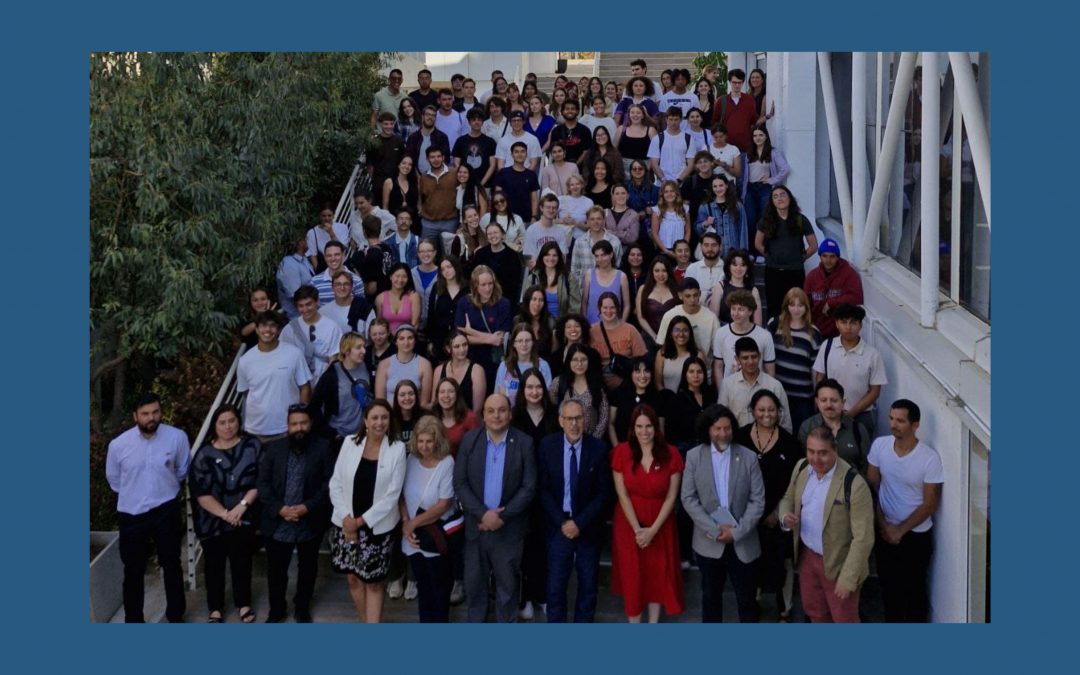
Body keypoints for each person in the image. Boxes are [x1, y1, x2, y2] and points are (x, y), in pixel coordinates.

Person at [106, 393, 191, 623]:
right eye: (145, 414)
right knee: (133, 570)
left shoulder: (177, 438)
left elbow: (182, 470)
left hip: (166, 509)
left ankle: (175, 614)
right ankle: (134, 620)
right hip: (132, 515)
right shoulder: (118, 445)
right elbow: (115, 481)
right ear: (135, 416)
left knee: (171, 563)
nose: (151, 418)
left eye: (155, 412)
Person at [453, 394, 537, 622]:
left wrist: (503, 516)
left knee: (507, 590)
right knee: (474, 586)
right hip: (476, 528)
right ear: (483, 415)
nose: (496, 415)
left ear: (510, 414)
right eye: (491, 411)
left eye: (502, 410)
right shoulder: (470, 441)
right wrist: (483, 514)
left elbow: (529, 487)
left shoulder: (524, 442)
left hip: (508, 529)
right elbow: (459, 483)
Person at [778, 426, 874, 623]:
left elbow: (863, 538)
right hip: (807, 558)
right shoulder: (802, 468)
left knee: (844, 620)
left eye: (822, 453)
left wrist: (848, 578)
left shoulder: (855, 485)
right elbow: (788, 496)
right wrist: (785, 516)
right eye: (811, 451)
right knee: (815, 615)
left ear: (835, 450)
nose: (815, 459)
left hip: (839, 563)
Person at [681, 403, 765, 622]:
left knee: (747, 601)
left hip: (743, 541)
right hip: (709, 542)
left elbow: (757, 501)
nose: (723, 433)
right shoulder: (693, 457)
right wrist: (715, 529)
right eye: (717, 428)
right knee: (710, 599)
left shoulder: (748, 457)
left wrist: (736, 532)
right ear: (708, 429)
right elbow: (688, 498)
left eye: (727, 428)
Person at [329, 398, 407, 623]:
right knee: (353, 578)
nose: (379, 422)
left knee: (373, 582)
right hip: (345, 524)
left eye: (384, 417)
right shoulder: (349, 443)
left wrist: (359, 522)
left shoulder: (397, 449)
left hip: (376, 527)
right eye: (374, 417)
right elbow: (335, 483)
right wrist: (347, 519)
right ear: (365, 420)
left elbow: (392, 495)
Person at [867, 399, 944, 623]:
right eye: (891, 418)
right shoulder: (880, 446)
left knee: (914, 594)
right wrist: (884, 526)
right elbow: (872, 486)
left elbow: (930, 504)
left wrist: (899, 530)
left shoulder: (929, 458)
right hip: (885, 532)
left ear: (915, 425)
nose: (893, 424)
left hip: (916, 536)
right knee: (889, 591)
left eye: (900, 420)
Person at [537, 399, 614, 622]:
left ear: (585, 420)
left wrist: (579, 523)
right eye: (569, 419)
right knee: (555, 589)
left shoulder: (598, 449)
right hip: (558, 527)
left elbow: (603, 494)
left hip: (587, 529)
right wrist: (563, 522)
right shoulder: (547, 446)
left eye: (578, 418)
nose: (574, 424)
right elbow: (542, 490)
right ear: (560, 421)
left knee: (588, 589)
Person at [258, 404, 334, 622]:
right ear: (287, 426)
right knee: (276, 570)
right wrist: (279, 509)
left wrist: (307, 507)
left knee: (308, 569)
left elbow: (328, 483)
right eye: (294, 424)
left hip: (309, 519)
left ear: (310, 424)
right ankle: (277, 610)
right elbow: (263, 484)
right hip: (278, 520)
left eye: (303, 423)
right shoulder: (274, 449)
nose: (299, 428)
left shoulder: (323, 447)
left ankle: (302, 607)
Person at [610, 404, 685, 622]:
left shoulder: (671, 453)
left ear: (656, 427)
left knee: (657, 575)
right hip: (629, 524)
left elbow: (672, 496)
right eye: (639, 426)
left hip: (660, 524)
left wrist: (652, 531)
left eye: (649, 426)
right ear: (632, 428)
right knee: (633, 576)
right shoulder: (622, 452)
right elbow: (621, 494)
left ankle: (653, 624)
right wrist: (638, 530)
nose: (644, 432)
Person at [189, 404, 261, 624]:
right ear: (215, 425)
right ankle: (215, 608)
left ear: (239, 421)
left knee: (242, 562)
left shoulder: (252, 446)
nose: (228, 426)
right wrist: (225, 514)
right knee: (214, 565)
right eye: (222, 422)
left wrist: (241, 507)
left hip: (244, 514)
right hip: (212, 519)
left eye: (232, 421)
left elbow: (260, 480)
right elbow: (200, 492)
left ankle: (243, 604)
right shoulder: (204, 454)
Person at [733, 390, 801, 621]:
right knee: (752, 560)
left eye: (771, 409)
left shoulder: (791, 443)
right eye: (761, 409)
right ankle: (755, 602)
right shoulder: (740, 438)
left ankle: (785, 608)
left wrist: (777, 512)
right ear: (753, 411)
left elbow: (795, 482)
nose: (766, 414)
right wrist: (753, 514)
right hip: (748, 516)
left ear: (779, 412)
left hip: (779, 514)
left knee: (784, 561)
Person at [399, 415, 458, 622]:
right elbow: (402, 495)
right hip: (412, 538)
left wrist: (412, 524)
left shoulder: (447, 463)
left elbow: (444, 503)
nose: (424, 446)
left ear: (437, 441)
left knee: (439, 590)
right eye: (420, 441)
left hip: (434, 536)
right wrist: (406, 521)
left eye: (429, 441)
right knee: (423, 589)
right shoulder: (411, 459)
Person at [811, 303, 887, 438]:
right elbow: (820, 378)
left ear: (860, 325)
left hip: (862, 416)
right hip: (830, 413)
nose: (848, 327)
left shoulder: (872, 355)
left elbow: (875, 391)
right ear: (836, 324)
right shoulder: (827, 346)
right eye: (844, 322)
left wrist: (851, 413)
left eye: (853, 322)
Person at [237, 311, 312, 442]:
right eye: (263, 325)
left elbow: (305, 387)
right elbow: (246, 392)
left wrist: (300, 418)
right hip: (256, 430)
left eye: (272, 326)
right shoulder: (245, 360)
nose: (267, 330)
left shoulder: (294, 354)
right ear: (256, 329)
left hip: (287, 428)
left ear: (278, 329)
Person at [755, 185, 818, 322]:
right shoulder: (766, 221)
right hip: (773, 271)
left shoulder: (801, 220)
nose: (779, 198)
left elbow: (813, 246)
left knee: (796, 307)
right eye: (775, 196)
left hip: (795, 271)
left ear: (789, 198)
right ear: (772, 201)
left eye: (782, 195)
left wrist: (800, 258)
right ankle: (775, 337)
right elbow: (758, 244)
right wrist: (771, 256)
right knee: (774, 308)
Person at [768, 287, 822, 431]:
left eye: (800, 305)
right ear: (786, 306)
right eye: (792, 305)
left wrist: (818, 395)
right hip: (779, 393)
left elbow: (815, 370)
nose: (796, 309)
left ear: (806, 307)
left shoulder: (813, 333)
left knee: (803, 434)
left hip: (803, 397)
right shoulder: (775, 326)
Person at [309, 332, 371, 453]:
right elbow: (315, 405)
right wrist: (331, 433)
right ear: (347, 351)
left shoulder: (365, 366)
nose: (363, 351)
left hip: (362, 434)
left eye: (364, 346)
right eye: (358, 347)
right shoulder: (332, 374)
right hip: (340, 436)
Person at [455, 264, 513, 390]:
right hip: (471, 357)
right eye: (483, 285)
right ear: (475, 285)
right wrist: (488, 339)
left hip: (493, 360)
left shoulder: (503, 304)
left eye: (490, 284)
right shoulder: (464, 303)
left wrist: (471, 332)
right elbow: (459, 337)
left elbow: (499, 339)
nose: (488, 288)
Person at [717, 337, 792, 431]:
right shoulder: (727, 385)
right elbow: (721, 418)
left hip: (768, 442)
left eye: (754, 356)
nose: (750, 362)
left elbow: (785, 423)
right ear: (737, 359)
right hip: (737, 441)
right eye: (745, 358)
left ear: (759, 356)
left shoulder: (774, 386)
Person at [798, 378, 872, 473]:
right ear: (817, 402)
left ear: (843, 402)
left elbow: (866, 465)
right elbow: (803, 463)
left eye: (834, 400)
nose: (829, 405)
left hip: (851, 485)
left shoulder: (858, 429)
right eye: (823, 400)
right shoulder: (807, 427)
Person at [804, 238, 864, 339]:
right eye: (824, 256)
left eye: (832, 256)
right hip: (815, 332)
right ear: (820, 256)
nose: (828, 260)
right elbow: (805, 303)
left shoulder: (849, 274)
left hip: (839, 334)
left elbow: (857, 297)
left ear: (838, 257)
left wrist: (832, 303)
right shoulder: (812, 276)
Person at [711, 289, 776, 382]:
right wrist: (722, 391)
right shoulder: (721, 333)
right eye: (733, 308)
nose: (736, 313)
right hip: (730, 391)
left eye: (741, 309)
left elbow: (770, 370)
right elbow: (718, 366)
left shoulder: (765, 336)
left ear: (750, 311)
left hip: (757, 390)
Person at [549, 343, 610, 441]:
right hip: (566, 440)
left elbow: (604, 416)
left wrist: (594, 440)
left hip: (591, 440)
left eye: (583, 360)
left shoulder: (596, 384)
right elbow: (552, 405)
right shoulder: (559, 382)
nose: (579, 364)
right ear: (569, 361)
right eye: (575, 360)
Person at [655, 278, 719, 367]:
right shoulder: (669, 316)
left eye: (695, 295)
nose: (692, 300)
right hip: (674, 369)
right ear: (680, 295)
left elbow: (717, 351)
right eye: (688, 296)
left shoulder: (711, 318)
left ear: (700, 294)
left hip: (702, 370)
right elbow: (662, 345)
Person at [589, 291, 646, 392]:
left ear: (618, 308)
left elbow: (642, 359)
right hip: (599, 387)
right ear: (599, 309)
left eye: (612, 307)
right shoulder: (591, 331)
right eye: (605, 308)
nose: (609, 311)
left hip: (625, 385)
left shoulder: (630, 330)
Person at [744, 125, 792, 242]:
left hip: (765, 189)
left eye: (761, 135)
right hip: (750, 188)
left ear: (766, 136)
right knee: (750, 218)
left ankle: (763, 248)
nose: (758, 138)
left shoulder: (773, 152)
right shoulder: (749, 153)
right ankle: (752, 250)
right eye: (755, 136)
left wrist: (771, 180)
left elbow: (785, 168)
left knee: (764, 218)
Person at [609, 356, 664, 446]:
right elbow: (611, 424)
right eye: (638, 371)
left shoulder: (657, 398)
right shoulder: (618, 394)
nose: (643, 375)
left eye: (646, 371)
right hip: (623, 448)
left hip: (649, 450)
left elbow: (660, 429)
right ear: (631, 373)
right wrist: (617, 448)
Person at [576, 228, 627, 321]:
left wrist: (621, 325)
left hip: (615, 326)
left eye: (603, 255)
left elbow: (627, 305)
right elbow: (584, 303)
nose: (600, 259)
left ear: (611, 255)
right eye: (597, 256)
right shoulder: (589, 274)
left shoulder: (622, 276)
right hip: (592, 326)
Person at [431, 329, 487, 413]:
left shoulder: (477, 370)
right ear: (448, 349)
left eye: (465, 345)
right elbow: (435, 403)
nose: (462, 350)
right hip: (443, 419)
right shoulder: (439, 370)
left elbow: (477, 410)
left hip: (468, 421)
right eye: (457, 346)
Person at [375, 323, 433, 404]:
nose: (406, 342)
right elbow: (380, 401)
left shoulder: (425, 365)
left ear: (415, 340)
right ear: (396, 342)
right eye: (401, 338)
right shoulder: (384, 364)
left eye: (410, 338)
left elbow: (424, 402)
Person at [495, 322, 553, 404]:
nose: (524, 344)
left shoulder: (543, 366)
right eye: (520, 341)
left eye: (528, 340)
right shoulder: (504, 366)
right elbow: (498, 397)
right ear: (514, 343)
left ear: (533, 342)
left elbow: (546, 397)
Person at [472, 220, 524, 306]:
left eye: (495, 232)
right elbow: (475, 278)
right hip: (483, 299)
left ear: (502, 235)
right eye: (489, 234)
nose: (493, 236)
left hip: (505, 299)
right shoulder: (480, 254)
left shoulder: (513, 256)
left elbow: (514, 284)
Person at [425, 256, 467, 362]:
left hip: (462, 341)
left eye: (449, 267)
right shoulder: (437, 288)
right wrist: (430, 341)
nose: (446, 271)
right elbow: (431, 315)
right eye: (443, 269)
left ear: (456, 267)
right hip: (440, 342)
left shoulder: (467, 288)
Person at [697, 176, 748, 260]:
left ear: (726, 185)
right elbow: (698, 229)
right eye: (715, 186)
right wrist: (705, 223)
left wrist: (743, 253)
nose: (718, 189)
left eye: (721, 185)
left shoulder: (737, 206)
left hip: (733, 251)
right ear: (712, 188)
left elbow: (743, 231)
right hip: (714, 252)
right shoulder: (705, 206)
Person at [417, 147, 459, 250]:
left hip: (450, 222)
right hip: (428, 223)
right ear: (427, 159)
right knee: (426, 252)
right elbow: (420, 196)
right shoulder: (423, 176)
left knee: (449, 254)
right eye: (432, 157)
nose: (436, 159)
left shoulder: (454, 173)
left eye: (438, 156)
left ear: (443, 157)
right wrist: (420, 209)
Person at [708, 248, 762, 325]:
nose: (738, 268)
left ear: (747, 268)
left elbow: (758, 324)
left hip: (746, 331)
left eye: (743, 265)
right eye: (735, 264)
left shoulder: (753, 290)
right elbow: (713, 319)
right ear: (729, 267)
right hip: (723, 330)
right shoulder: (720, 286)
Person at [654, 315, 706, 393]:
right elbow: (658, 383)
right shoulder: (662, 354)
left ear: (690, 333)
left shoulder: (698, 355)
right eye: (676, 330)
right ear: (670, 333)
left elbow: (702, 384)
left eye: (685, 330)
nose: (681, 334)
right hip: (668, 401)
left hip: (691, 402)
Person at [492, 141, 540, 225]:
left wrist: (534, 217)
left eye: (522, 151)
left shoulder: (531, 175)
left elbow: (534, 199)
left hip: (526, 219)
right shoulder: (503, 173)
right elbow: (497, 196)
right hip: (506, 218)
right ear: (512, 155)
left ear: (526, 154)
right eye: (516, 152)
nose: (520, 154)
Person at [636, 255, 679, 347]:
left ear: (669, 272)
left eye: (664, 271)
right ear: (652, 272)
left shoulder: (676, 290)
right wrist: (654, 336)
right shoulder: (643, 289)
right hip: (649, 337)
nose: (660, 275)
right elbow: (641, 317)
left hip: (673, 338)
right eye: (657, 271)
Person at [432, 377, 482, 457]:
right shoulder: (432, 418)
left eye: (451, 392)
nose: (446, 395)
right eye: (442, 392)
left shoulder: (470, 418)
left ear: (457, 395)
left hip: (461, 465)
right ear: (437, 396)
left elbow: (476, 450)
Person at [711, 69, 757, 154]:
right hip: (725, 147)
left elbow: (753, 122)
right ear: (729, 82)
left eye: (739, 83)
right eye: (734, 82)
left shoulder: (749, 100)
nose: (737, 85)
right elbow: (715, 123)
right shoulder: (721, 101)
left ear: (743, 83)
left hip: (745, 147)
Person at [452, 108, 498, 189]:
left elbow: (492, 165)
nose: (476, 122)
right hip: (464, 185)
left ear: (482, 122)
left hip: (485, 186)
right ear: (469, 122)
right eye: (473, 120)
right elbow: (456, 164)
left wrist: (481, 184)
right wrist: (463, 180)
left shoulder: (490, 142)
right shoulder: (460, 141)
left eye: (479, 120)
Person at [648, 108, 695, 185]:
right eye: (671, 119)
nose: (673, 122)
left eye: (676, 119)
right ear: (666, 119)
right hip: (661, 184)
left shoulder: (688, 139)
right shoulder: (657, 139)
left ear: (681, 120)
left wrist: (679, 180)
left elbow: (690, 164)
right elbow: (654, 163)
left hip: (682, 184)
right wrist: (663, 180)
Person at [525, 242, 572, 321]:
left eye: (554, 255)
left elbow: (574, 307)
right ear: (542, 256)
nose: (551, 258)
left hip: (561, 324)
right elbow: (526, 303)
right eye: (547, 255)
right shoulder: (532, 278)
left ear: (559, 258)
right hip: (539, 323)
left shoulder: (568, 278)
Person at [310, 240, 363, 307]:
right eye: (329, 255)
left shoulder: (356, 280)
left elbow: (361, 308)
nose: (333, 258)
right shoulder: (315, 282)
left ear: (343, 255)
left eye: (337, 254)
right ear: (325, 257)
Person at [321, 270, 374, 336]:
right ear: (333, 288)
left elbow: (372, 337)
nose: (342, 288)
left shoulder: (364, 307)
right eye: (338, 284)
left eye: (346, 284)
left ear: (351, 287)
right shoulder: (323, 312)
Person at [369, 113, 406, 205]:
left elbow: (403, 162)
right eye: (386, 124)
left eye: (391, 124)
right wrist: (373, 180)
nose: (389, 126)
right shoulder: (374, 142)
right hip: (378, 184)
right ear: (380, 124)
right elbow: (370, 165)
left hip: (395, 183)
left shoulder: (399, 141)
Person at [615, 104, 658, 181]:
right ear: (629, 115)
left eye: (638, 113)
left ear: (643, 115)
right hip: (624, 169)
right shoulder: (621, 129)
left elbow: (656, 152)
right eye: (632, 112)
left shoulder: (651, 130)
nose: (635, 115)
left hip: (644, 168)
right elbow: (614, 150)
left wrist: (648, 167)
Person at [375, 263, 421, 334]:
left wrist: (401, 338)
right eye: (397, 276)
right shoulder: (380, 298)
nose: (400, 280)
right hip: (386, 340)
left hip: (407, 339)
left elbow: (415, 324)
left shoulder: (414, 296)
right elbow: (378, 324)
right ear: (391, 277)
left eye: (404, 277)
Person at [276, 234, 314, 320]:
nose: (309, 241)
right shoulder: (289, 264)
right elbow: (295, 294)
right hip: (296, 317)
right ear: (300, 243)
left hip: (307, 314)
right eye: (307, 239)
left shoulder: (304, 260)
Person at [650, 180, 691, 259]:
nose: (669, 194)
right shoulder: (657, 211)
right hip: (663, 250)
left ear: (676, 193)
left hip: (681, 252)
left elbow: (688, 231)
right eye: (666, 191)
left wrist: (684, 249)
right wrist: (666, 251)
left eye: (672, 191)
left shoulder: (684, 209)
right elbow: (654, 233)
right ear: (663, 194)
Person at [405, 106, 450, 176]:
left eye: (433, 115)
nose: (430, 117)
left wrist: (437, 175)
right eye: (428, 114)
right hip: (417, 178)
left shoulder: (442, 137)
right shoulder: (413, 138)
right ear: (422, 117)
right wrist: (418, 177)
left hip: (437, 177)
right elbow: (409, 159)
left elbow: (446, 159)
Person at [306, 204, 350, 275]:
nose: (327, 218)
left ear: (333, 215)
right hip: (324, 266)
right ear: (320, 216)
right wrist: (318, 271)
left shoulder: (342, 227)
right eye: (324, 216)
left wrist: (331, 233)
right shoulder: (312, 232)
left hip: (341, 264)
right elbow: (313, 255)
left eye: (329, 216)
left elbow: (343, 248)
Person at [516, 285, 557, 359]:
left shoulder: (550, 322)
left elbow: (553, 351)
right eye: (534, 299)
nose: (537, 304)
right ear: (528, 301)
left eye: (541, 300)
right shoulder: (518, 321)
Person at [685, 232, 725, 305]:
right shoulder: (692, 269)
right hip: (697, 312)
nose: (710, 249)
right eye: (706, 245)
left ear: (720, 246)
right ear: (700, 246)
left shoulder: (727, 268)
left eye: (714, 245)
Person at [550, 98, 593, 165]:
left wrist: (575, 165)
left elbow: (587, 151)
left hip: (580, 170)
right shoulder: (556, 131)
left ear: (577, 112)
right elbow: (553, 150)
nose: (570, 111)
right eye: (567, 109)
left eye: (573, 109)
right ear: (562, 112)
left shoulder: (585, 130)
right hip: (560, 168)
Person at [680, 151, 716, 230]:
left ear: (712, 163)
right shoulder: (690, 181)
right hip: (695, 222)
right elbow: (683, 203)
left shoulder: (718, 180)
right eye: (699, 162)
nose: (703, 164)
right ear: (696, 165)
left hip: (715, 220)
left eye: (705, 161)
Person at [551, 312, 591, 379]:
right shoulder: (555, 356)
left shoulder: (592, 354)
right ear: (563, 331)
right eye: (568, 327)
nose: (573, 329)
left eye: (577, 326)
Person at [606, 184, 640, 250]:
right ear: (613, 196)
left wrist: (609, 232)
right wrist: (624, 233)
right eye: (617, 194)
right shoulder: (605, 213)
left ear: (627, 196)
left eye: (623, 193)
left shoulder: (633, 214)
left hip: (625, 252)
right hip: (607, 251)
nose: (620, 196)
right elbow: (601, 234)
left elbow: (632, 238)